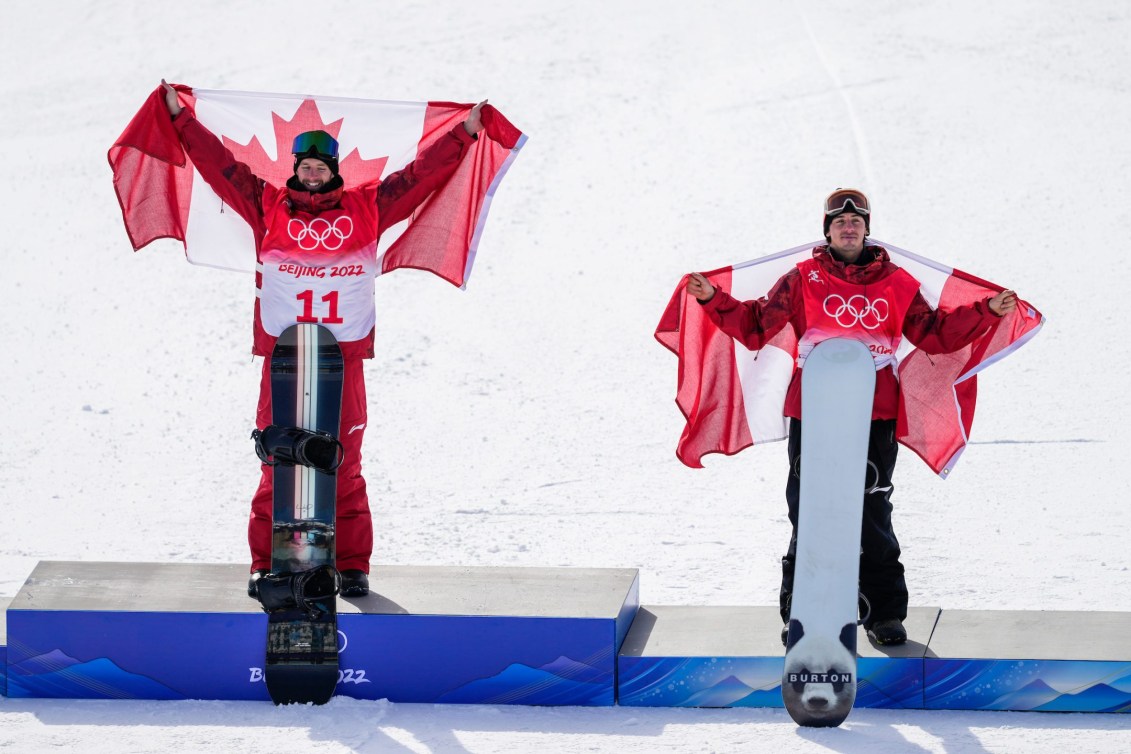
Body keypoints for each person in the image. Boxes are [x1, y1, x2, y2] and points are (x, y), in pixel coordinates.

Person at [160, 80, 487, 598]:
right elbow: (220, 168)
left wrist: (464, 135)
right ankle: (268, 561)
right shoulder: (265, 202)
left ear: (334, 171)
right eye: (305, 168)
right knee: (277, 457)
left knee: (345, 460)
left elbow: (418, 179)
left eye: (320, 168)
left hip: (342, 356)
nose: (312, 175)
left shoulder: (368, 206)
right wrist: (181, 120)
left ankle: (351, 564)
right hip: (284, 356)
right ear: (295, 169)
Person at [685, 188, 1018, 645]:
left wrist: (986, 310)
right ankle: (800, 613)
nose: (848, 228)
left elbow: (934, 333)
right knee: (810, 513)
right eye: (839, 222)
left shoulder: (898, 283)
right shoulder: (802, 279)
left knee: (871, 511)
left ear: (866, 228)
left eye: (856, 222)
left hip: (874, 411)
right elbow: (758, 323)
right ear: (827, 230)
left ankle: (882, 614)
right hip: (815, 409)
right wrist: (711, 299)